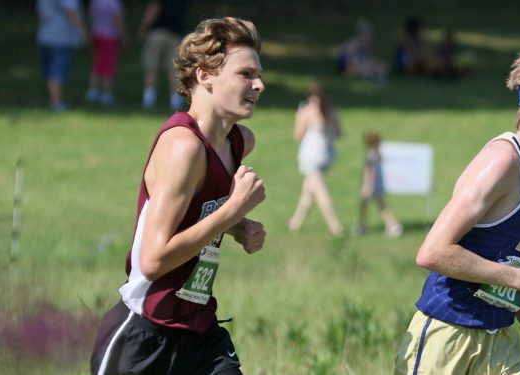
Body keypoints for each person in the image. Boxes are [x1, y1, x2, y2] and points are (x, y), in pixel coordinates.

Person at [394, 30, 520, 374]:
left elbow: (492, 259)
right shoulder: (501, 163)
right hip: (448, 334)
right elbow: (433, 253)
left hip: (499, 338)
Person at [90, 17, 267, 375]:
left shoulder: (238, 142)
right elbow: (153, 261)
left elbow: (199, 209)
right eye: (245, 74)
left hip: (200, 332)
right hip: (144, 337)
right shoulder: (182, 147)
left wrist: (239, 226)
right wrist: (232, 211)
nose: (259, 85)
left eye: (258, 74)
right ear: (205, 75)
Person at [287, 81, 343, 236]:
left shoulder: (307, 111)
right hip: (328, 153)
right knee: (309, 191)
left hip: (312, 154)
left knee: (319, 191)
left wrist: (299, 117)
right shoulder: (331, 110)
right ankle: (295, 222)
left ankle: (335, 225)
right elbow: (339, 133)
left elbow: (298, 134)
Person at [137, 0, 190, 111]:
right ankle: (175, 103)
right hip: (176, 35)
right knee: (174, 70)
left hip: (157, 33)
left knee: (151, 67)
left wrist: (143, 28)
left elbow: (153, 9)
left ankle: (148, 100)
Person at [36, 0, 89, 112]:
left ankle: (53, 99)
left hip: (45, 35)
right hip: (61, 37)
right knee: (57, 71)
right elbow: (71, 12)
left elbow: (40, 13)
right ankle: (56, 102)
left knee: (50, 70)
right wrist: (83, 32)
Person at [353, 131, 403, 238]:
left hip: (371, 185)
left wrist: (368, 186)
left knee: (367, 205)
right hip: (379, 184)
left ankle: (362, 226)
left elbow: (370, 171)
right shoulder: (378, 154)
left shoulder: (370, 155)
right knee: (381, 205)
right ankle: (391, 224)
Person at [85, 0, 129, 106]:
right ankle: (106, 93)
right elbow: (117, 19)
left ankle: (93, 90)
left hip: (97, 33)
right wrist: (123, 36)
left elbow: (91, 15)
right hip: (110, 36)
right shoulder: (114, 3)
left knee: (98, 63)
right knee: (108, 65)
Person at [336, 18, 387, 83]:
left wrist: (374, 63)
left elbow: (368, 59)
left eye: (370, 35)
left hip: (361, 66)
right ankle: (371, 77)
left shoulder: (365, 46)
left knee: (381, 65)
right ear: (360, 34)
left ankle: (374, 77)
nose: (370, 38)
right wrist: (366, 65)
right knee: (367, 67)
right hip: (350, 68)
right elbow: (347, 67)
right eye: (368, 35)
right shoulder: (352, 45)